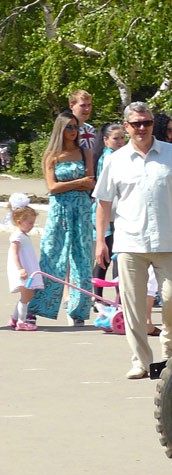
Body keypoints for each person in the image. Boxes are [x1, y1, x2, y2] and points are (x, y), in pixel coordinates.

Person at [94, 101, 172, 380]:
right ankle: (140, 361)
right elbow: (103, 203)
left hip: (169, 241)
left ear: (153, 124)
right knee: (132, 307)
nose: (142, 128)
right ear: (127, 127)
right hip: (130, 243)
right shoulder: (115, 160)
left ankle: (170, 354)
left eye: (147, 123)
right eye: (136, 124)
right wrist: (100, 241)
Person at [28, 111, 95, 327]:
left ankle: (78, 310)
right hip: (60, 210)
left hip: (82, 210)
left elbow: (91, 183)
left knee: (82, 259)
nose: (73, 131)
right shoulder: (52, 155)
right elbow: (52, 187)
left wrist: (78, 183)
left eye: (75, 127)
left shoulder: (85, 153)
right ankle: (39, 307)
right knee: (52, 257)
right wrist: (79, 182)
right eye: (68, 127)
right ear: (60, 129)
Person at [91, 123, 126, 302]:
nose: (120, 142)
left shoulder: (119, 156)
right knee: (105, 255)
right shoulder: (109, 158)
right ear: (106, 140)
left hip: (117, 213)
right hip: (107, 214)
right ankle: (98, 297)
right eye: (116, 138)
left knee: (117, 257)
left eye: (122, 138)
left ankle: (119, 297)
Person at [7, 197, 42, 331]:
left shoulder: (23, 235)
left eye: (33, 223)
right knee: (26, 296)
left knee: (27, 295)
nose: (32, 225)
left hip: (27, 269)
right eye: (29, 223)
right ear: (19, 222)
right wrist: (21, 269)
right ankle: (21, 321)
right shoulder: (17, 236)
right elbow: (14, 254)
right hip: (22, 271)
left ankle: (15, 318)